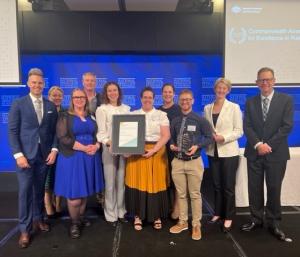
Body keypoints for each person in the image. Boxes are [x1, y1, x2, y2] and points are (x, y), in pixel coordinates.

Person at [241, 67, 294, 241]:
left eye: (268, 79)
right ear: (257, 83)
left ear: (274, 81)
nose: (265, 83)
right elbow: (247, 126)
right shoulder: (250, 102)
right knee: (254, 189)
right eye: (261, 80)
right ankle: (256, 220)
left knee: (273, 189)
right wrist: (258, 144)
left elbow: (286, 126)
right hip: (254, 152)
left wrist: (268, 145)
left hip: (276, 154)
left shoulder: (286, 100)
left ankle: (274, 223)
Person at [8, 68, 58, 248]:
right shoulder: (18, 104)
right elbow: (12, 132)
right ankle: (24, 229)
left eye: (40, 83)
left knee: (39, 191)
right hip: (25, 158)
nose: (37, 85)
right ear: (29, 84)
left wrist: (54, 149)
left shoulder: (51, 106)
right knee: (24, 193)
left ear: (43, 84)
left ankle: (39, 219)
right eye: (34, 82)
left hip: (44, 157)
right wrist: (18, 155)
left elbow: (54, 132)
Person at [54, 88, 104, 239]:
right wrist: (84, 148)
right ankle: (74, 223)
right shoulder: (65, 116)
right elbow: (63, 138)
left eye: (82, 97)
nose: (79, 99)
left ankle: (80, 219)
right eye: (76, 97)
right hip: (73, 158)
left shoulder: (91, 116)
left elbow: (98, 135)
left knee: (84, 193)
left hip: (90, 157)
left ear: (86, 99)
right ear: (72, 99)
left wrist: (96, 146)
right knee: (75, 195)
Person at [169, 89, 213, 240]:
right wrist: (172, 145)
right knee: (181, 194)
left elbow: (209, 137)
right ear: (179, 101)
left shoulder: (200, 120)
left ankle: (196, 224)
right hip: (178, 162)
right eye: (182, 100)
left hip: (194, 162)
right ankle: (182, 222)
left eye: (188, 99)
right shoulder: (174, 121)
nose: (185, 102)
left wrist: (198, 146)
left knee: (194, 194)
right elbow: (172, 139)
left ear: (193, 101)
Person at [125, 86, 170, 231]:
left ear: (153, 99)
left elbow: (166, 136)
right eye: (145, 97)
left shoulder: (161, 115)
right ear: (141, 98)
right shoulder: (132, 114)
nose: (147, 99)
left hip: (157, 152)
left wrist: (153, 150)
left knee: (155, 183)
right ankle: (138, 215)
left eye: (150, 97)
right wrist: (129, 150)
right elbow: (128, 137)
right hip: (137, 153)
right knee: (138, 183)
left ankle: (156, 216)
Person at [204, 78, 243, 232]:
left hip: (229, 152)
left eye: (224, 88)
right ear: (215, 89)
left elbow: (239, 131)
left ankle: (228, 216)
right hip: (212, 151)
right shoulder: (208, 108)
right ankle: (218, 213)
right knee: (216, 185)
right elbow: (207, 129)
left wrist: (224, 138)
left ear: (228, 90)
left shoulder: (234, 107)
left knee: (228, 187)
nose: (221, 90)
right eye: (218, 88)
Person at [96, 82, 130, 226]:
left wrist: (130, 148)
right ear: (106, 93)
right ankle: (111, 215)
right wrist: (110, 144)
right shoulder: (102, 109)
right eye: (109, 91)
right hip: (109, 149)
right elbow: (101, 133)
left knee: (121, 182)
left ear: (119, 92)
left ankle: (121, 212)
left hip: (124, 150)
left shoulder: (126, 109)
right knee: (109, 183)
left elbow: (130, 131)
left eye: (114, 90)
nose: (112, 93)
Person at [158, 83, 181, 220]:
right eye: (165, 92)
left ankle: (177, 208)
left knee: (176, 180)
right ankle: (165, 207)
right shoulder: (158, 111)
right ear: (162, 94)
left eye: (170, 92)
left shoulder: (179, 109)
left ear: (173, 94)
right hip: (161, 150)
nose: (167, 94)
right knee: (164, 180)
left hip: (175, 150)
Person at [81, 72, 104, 207]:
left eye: (92, 81)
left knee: (101, 168)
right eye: (87, 80)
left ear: (95, 83)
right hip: (83, 139)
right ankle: (83, 199)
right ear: (83, 82)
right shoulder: (78, 96)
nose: (89, 83)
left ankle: (101, 200)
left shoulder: (102, 98)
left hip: (99, 138)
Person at [44, 86, 64, 218]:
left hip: (63, 150)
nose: (57, 98)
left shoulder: (66, 112)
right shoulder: (44, 110)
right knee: (47, 179)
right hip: (47, 149)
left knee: (60, 178)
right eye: (54, 95)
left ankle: (58, 204)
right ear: (49, 96)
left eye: (59, 95)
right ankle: (48, 206)